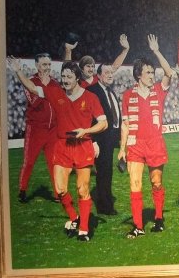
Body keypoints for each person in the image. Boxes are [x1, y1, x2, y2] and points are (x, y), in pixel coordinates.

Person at [7, 58, 107, 241]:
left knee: (82, 189)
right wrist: (18, 71)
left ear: (77, 78)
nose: (65, 80)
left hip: (82, 145)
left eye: (69, 77)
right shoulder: (55, 93)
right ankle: (74, 218)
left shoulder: (90, 97)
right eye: (63, 76)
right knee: (60, 189)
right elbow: (32, 88)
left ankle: (84, 230)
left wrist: (86, 131)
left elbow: (103, 123)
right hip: (62, 146)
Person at [119, 34, 174, 238]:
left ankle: (158, 219)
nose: (152, 76)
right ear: (138, 75)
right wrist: (122, 149)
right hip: (135, 145)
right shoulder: (127, 95)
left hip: (155, 144)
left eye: (152, 72)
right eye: (148, 72)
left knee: (156, 182)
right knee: (135, 184)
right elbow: (125, 125)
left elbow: (169, 72)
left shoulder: (159, 91)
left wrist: (156, 51)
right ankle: (138, 226)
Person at [17, 52, 60, 203]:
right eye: (44, 64)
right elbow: (36, 102)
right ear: (36, 65)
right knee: (29, 161)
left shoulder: (55, 83)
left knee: (54, 162)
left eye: (49, 64)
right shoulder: (30, 82)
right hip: (36, 129)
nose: (47, 67)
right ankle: (22, 189)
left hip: (52, 130)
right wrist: (47, 91)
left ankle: (58, 193)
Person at [87, 63, 123, 215]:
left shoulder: (111, 91)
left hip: (110, 139)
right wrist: (93, 141)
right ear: (99, 75)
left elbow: (115, 117)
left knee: (107, 172)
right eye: (106, 72)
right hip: (100, 139)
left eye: (111, 72)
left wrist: (119, 139)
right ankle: (104, 207)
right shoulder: (92, 91)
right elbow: (89, 118)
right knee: (103, 172)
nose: (110, 75)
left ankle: (106, 202)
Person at [64, 34, 130, 88]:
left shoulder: (98, 79)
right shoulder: (77, 82)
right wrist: (68, 51)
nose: (91, 69)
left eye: (92, 66)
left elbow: (114, 67)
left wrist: (125, 50)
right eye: (88, 66)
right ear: (81, 68)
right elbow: (67, 70)